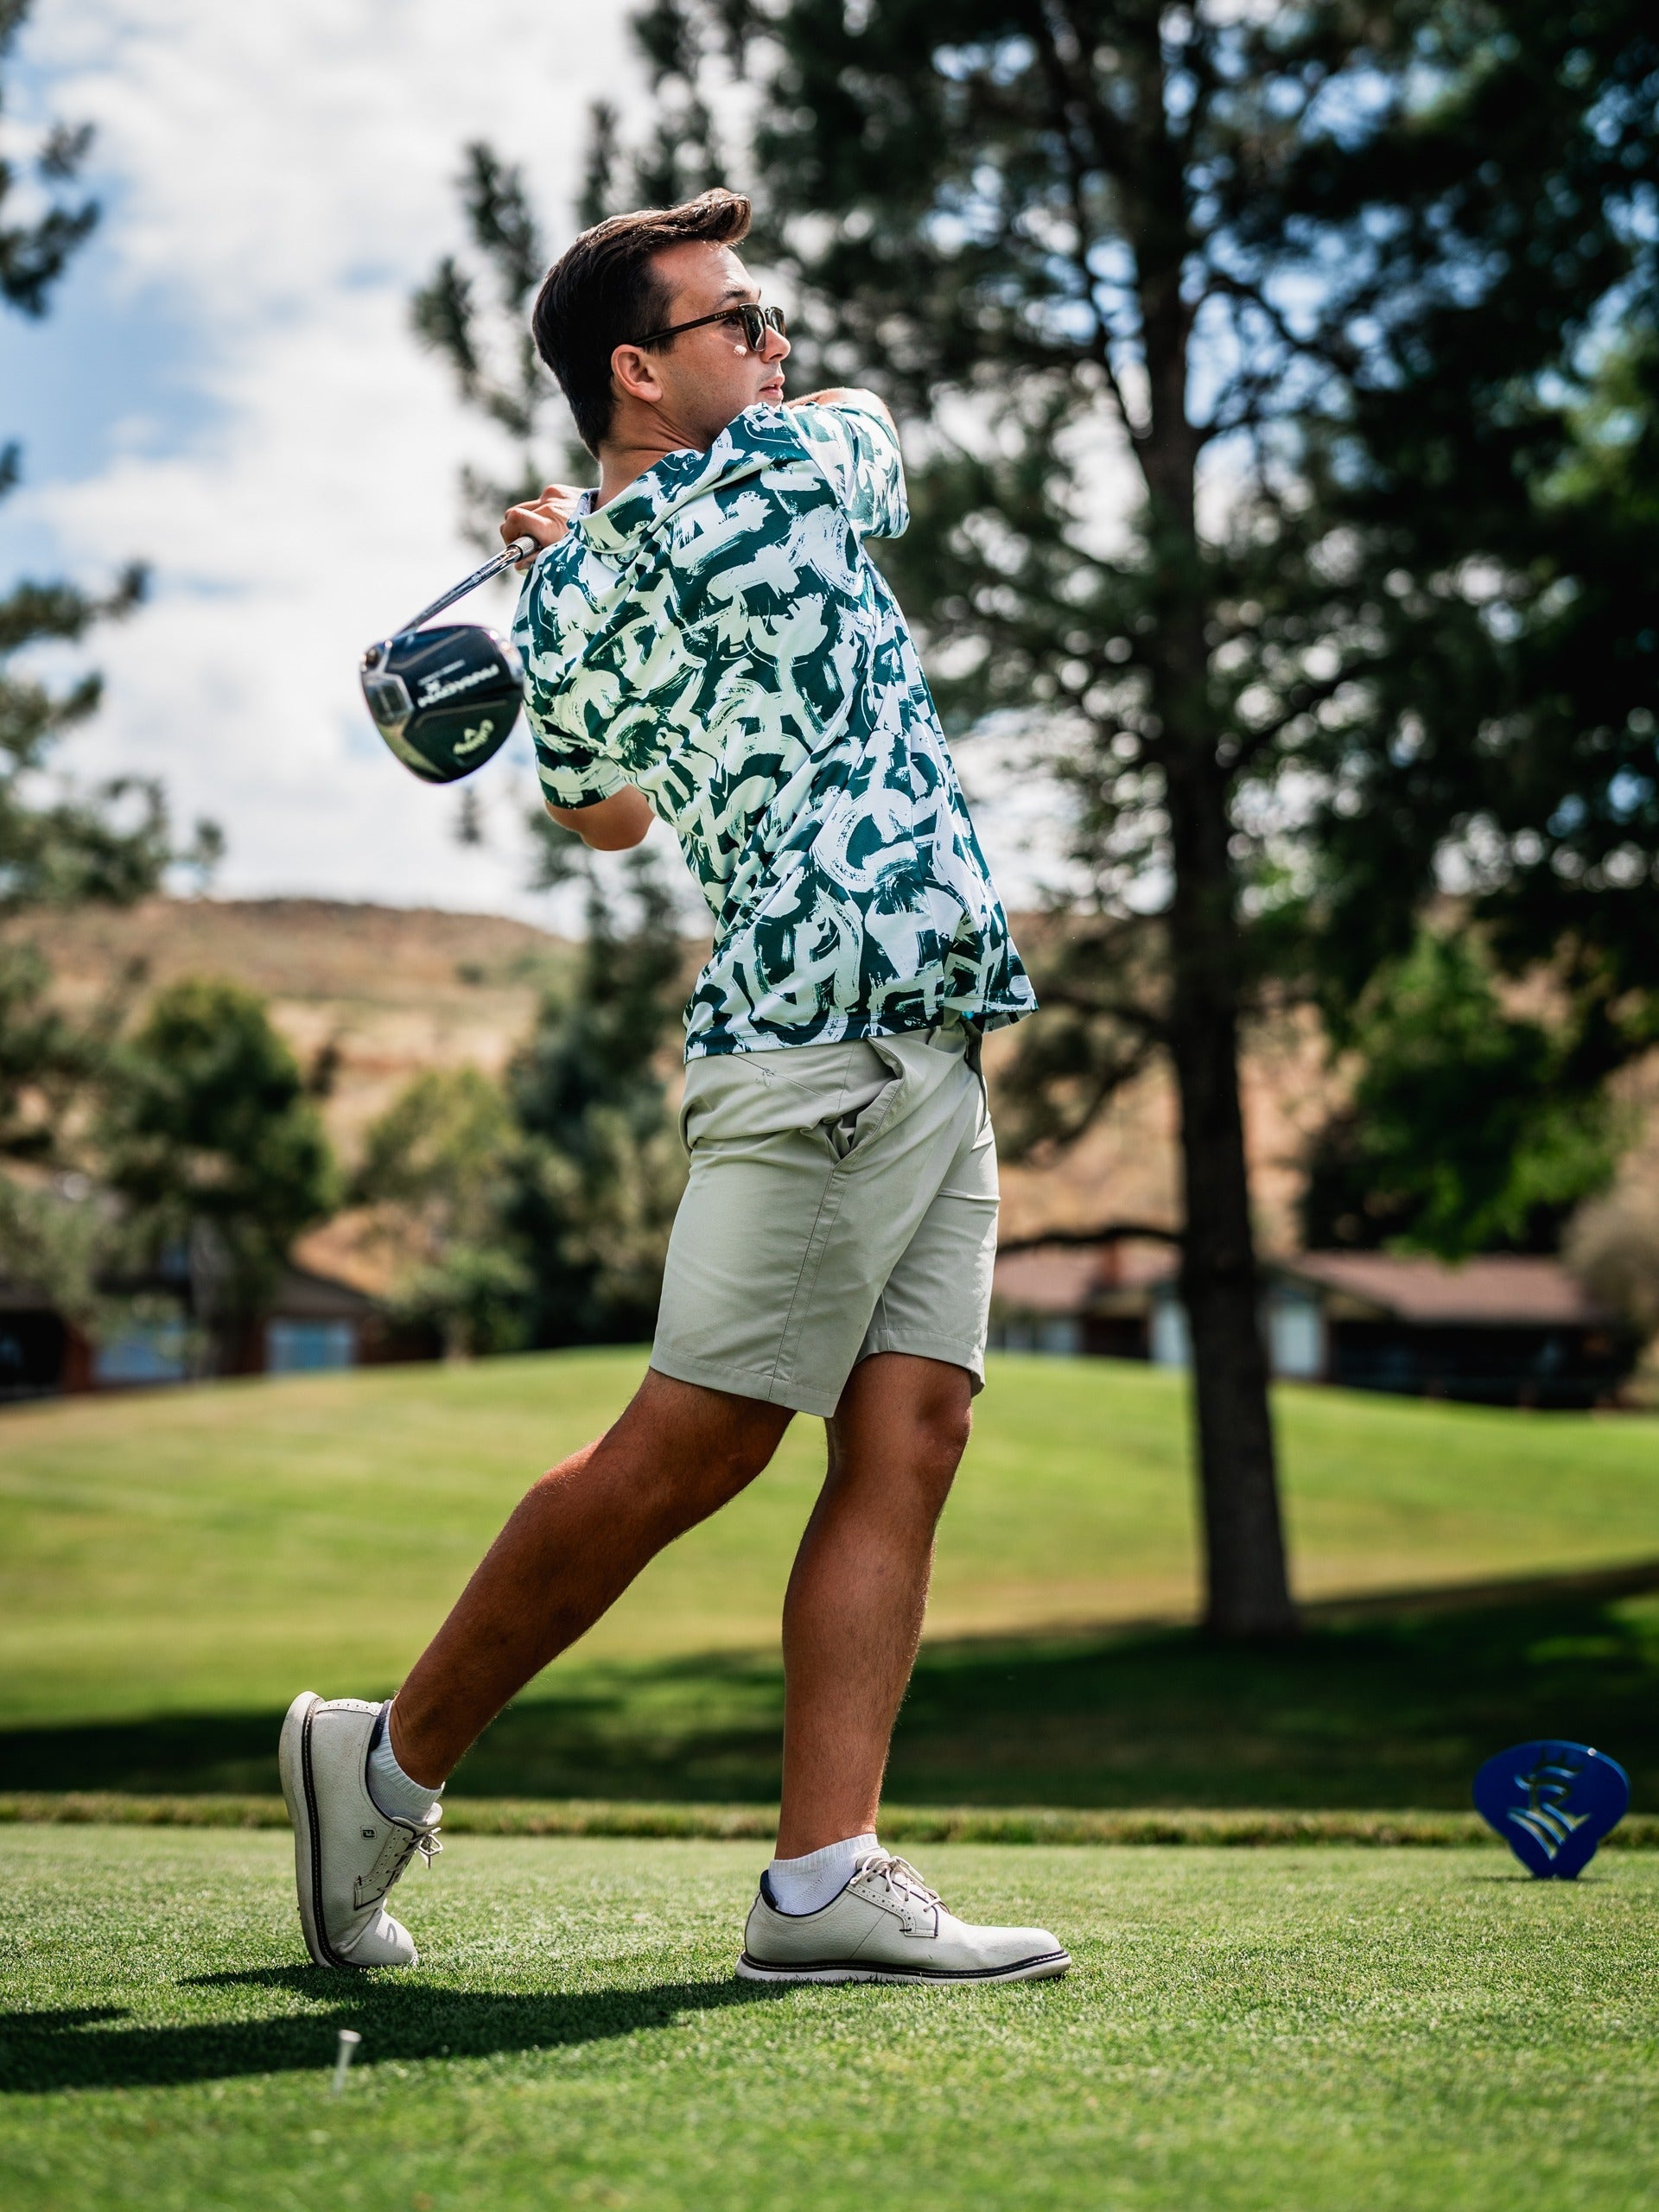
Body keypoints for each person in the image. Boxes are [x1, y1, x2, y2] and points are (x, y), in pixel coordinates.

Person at [280, 187, 1067, 1987]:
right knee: (695, 1442)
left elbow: (599, 798)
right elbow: (861, 461)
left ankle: (823, 1881)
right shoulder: (800, 469)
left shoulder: (577, 589)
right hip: (828, 1032)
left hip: (919, 1031)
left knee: (911, 1428)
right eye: (739, 320)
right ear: (640, 366)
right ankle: (383, 1758)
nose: (777, 344)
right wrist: (606, 554)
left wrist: (585, 560)